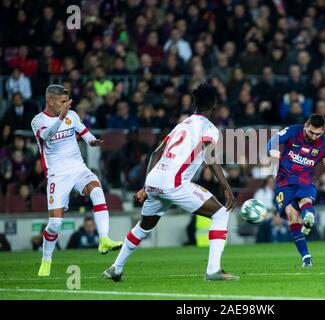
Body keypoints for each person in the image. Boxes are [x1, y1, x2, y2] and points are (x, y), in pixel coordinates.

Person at [103, 83, 239, 281]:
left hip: (155, 180)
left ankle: (116, 268)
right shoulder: (209, 128)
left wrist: (146, 186)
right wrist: (226, 188)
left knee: (143, 227)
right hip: (174, 183)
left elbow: (156, 153)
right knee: (220, 213)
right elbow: (210, 157)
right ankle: (213, 270)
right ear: (214, 106)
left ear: (194, 104)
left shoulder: (182, 124)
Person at [30, 84, 123, 277]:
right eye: (63, 102)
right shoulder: (38, 121)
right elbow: (47, 136)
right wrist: (61, 118)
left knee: (97, 190)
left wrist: (93, 141)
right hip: (58, 174)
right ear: (51, 101)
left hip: (78, 167)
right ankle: (46, 261)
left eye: (68, 101)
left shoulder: (72, 115)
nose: (67, 105)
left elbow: (85, 133)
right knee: (55, 224)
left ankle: (104, 238)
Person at [267, 113, 325, 268]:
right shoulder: (294, 131)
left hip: (305, 181)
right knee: (292, 216)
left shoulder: (324, 145)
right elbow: (272, 141)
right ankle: (306, 256)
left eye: (318, 133)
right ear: (306, 125)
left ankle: (308, 216)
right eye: (311, 132)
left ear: (323, 131)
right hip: (284, 182)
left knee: (306, 200)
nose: (314, 136)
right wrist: (272, 150)